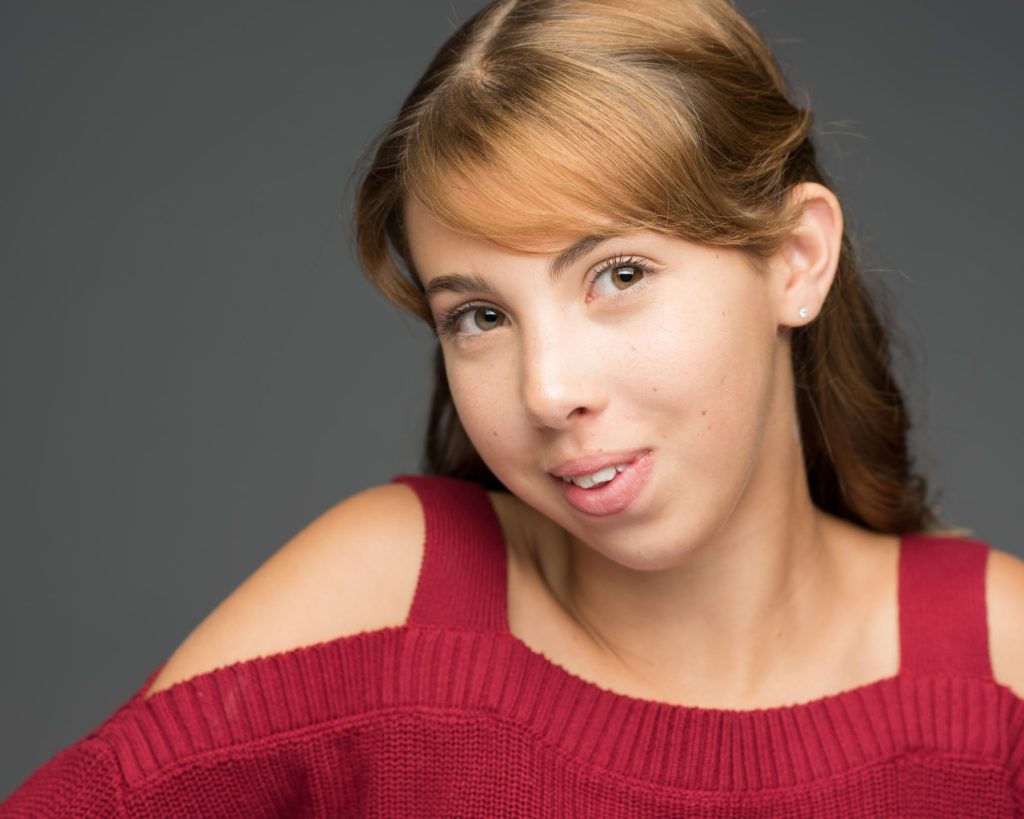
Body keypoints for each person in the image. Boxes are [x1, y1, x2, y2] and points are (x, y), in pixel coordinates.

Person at [3, 0, 1023, 816]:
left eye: (618, 274)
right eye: (480, 315)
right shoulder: (384, 608)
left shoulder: (1000, 674)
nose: (547, 391)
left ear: (795, 261)